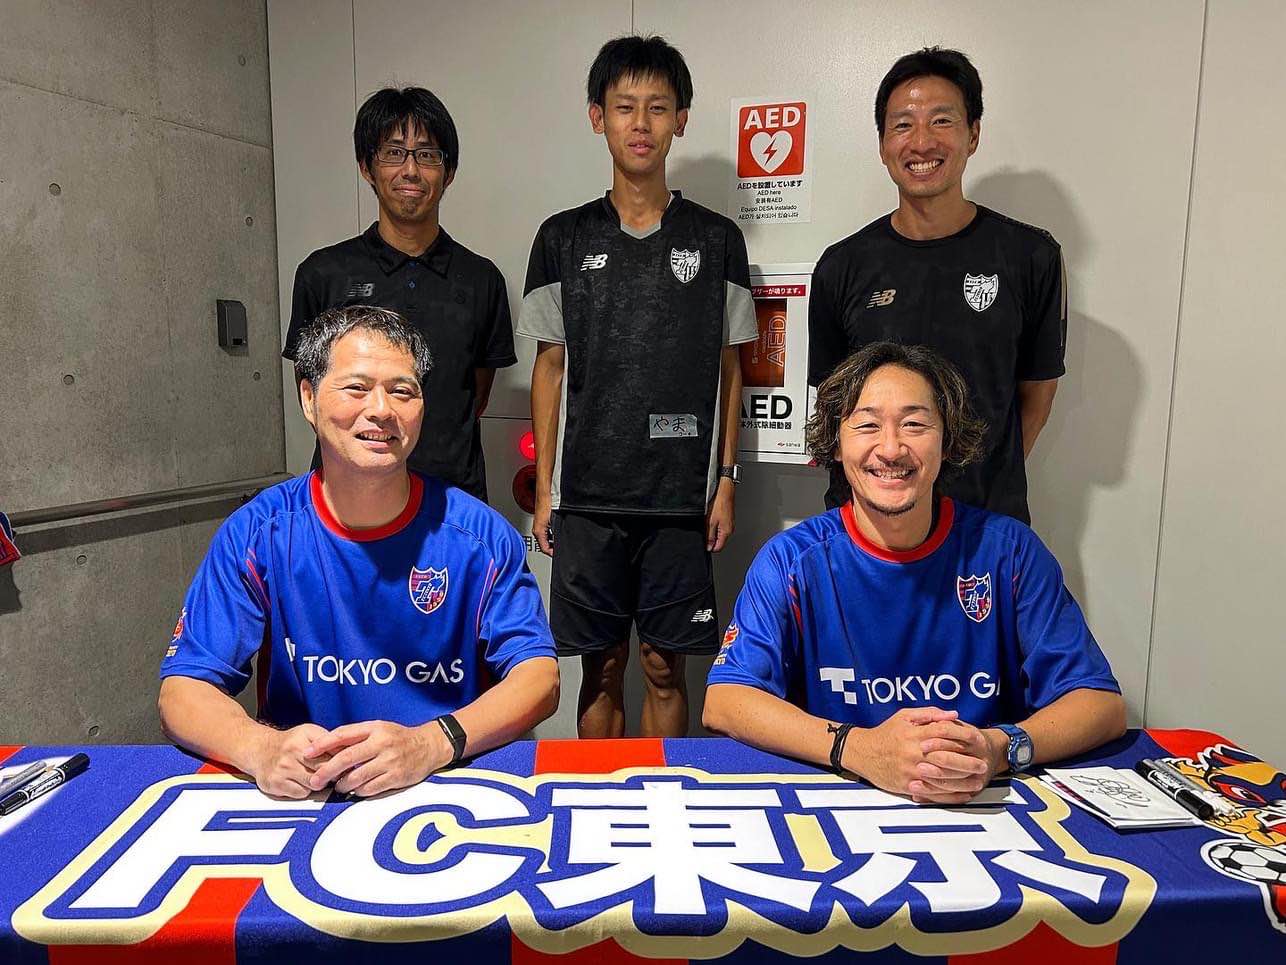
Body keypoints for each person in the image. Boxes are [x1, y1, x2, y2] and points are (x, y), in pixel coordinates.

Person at [160, 306, 558, 799]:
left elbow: (539, 677)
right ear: (308, 397)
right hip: (304, 793)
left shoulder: (478, 536)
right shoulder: (260, 533)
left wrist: (431, 744)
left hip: (444, 786)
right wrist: (259, 748)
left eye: (402, 390)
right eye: (356, 387)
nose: (381, 410)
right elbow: (182, 691)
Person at [703, 341, 1124, 804]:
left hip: (984, 804)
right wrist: (858, 747)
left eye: (914, 424)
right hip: (843, 800)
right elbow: (726, 701)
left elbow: (1100, 705)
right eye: (866, 425)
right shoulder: (792, 562)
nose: (890, 448)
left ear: (947, 441)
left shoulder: (1009, 553)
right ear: (836, 444)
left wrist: (998, 748)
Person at [517, 35, 757, 738]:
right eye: (625, 107)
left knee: (663, 666)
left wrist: (726, 477)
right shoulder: (562, 236)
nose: (641, 123)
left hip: (678, 498)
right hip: (588, 498)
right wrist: (548, 490)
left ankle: (665, 807)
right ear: (599, 117)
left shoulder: (716, 239)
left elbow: (732, 368)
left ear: (681, 118)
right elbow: (550, 365)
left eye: (657, 107)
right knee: (598, 666)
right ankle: (598, 810)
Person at [808, 47, 1065, 524]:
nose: (921, 142)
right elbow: (832, 408)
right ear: (883, 144)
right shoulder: (841, 267)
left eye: (942, 121)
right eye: (903, 125)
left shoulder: (1029, 256)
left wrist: (975, 476)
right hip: (867, 533)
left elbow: (1037, 394)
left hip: (984, 525)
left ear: (973, 135)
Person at [282, 86, 515, 502]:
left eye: (427, 155)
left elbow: (475, 396)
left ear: (449, 171)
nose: (411, 170)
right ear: (367, 168)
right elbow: (315, 392)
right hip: (345, 503)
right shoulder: (322, 274)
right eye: (393, 153)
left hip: (452, 504)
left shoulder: (481, 280)